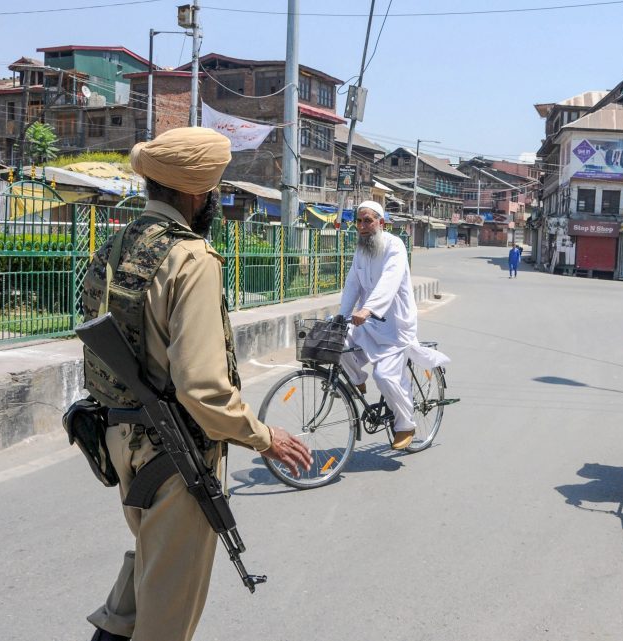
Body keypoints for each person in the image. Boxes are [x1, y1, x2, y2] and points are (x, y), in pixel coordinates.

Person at [80, 127, 311, 641]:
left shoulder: (121, 241)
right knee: (167, 620)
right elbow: (202, 388)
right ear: (192, 192)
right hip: (175, 456)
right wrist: (264, 436)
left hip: (122, 442)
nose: (214, 199)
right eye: (213, 189)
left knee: (149, 577)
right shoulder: (191, 258)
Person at [338, 201, 450, 450]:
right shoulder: (361, 250)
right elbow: (352, 285)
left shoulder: (394, 246)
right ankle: (357, 377)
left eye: (368, 220)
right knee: (337, 338)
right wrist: (342, 315)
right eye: (359, 221)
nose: (362, 226)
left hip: (395, 326)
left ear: (381, 222)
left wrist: (368, 309)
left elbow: (389, 281)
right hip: (368, 322)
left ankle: (405, 424)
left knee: (385, 375)